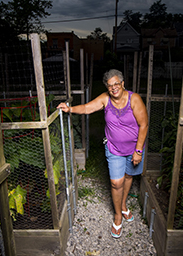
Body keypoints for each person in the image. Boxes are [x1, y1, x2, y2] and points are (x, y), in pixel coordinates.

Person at [57, 69, 148, 238]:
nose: (113, 88)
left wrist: (138, 150)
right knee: (116, 183)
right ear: (107, 87)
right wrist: (69, 109)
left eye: (116, 84)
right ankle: (118, 215)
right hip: (114, 148)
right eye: (109, 85)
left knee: (129, 177)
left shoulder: (134, 99)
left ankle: (122, 204)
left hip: (134, 149)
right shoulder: (105, 99)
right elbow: (86, 108)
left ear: (122, 84)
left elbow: (144, 125)